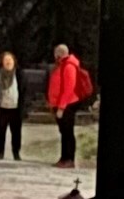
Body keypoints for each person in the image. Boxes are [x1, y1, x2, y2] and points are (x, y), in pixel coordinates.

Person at [47, 40, 90, 169]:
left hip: (67, 104)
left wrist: (61, 107)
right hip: (60, 104)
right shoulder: (61, 65)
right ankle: (63, 157)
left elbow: (68, 89)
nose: (54, 55)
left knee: (67, 132)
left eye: (55, 52)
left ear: (59, 53)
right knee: (64, 132)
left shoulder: (69, 66)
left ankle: (69, 159)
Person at [0, 52, 25, 163]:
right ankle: (0, 152)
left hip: (15, 109)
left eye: (10, 60)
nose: (8, 62)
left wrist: (24, 107)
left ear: (14, 61)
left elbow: (24, 91)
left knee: (16, 132)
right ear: (2, 62)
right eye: (6, 60)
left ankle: (16, 153)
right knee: (0, 132)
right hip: (2, 108)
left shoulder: (19, 74)